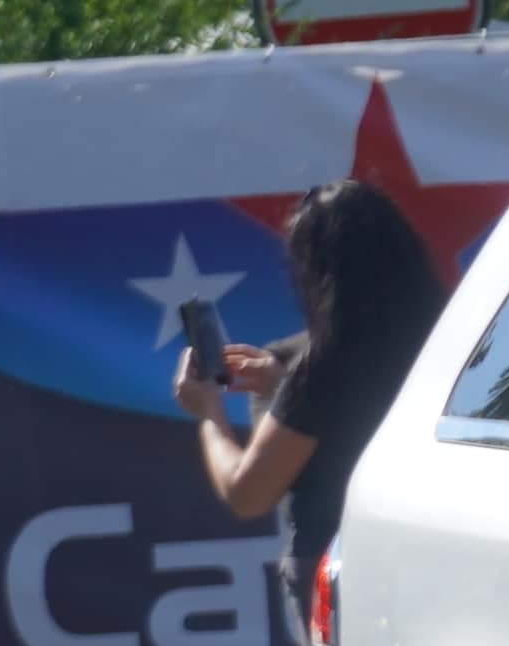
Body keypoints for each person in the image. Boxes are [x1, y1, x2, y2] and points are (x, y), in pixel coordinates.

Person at [173, 177, 451, 594]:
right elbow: (353, 423)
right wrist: (280, 386)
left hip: (342, 572)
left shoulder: (327, 367)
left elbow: (247, 493)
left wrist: (209, 410)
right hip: (438, 562)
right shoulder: (450, 340)